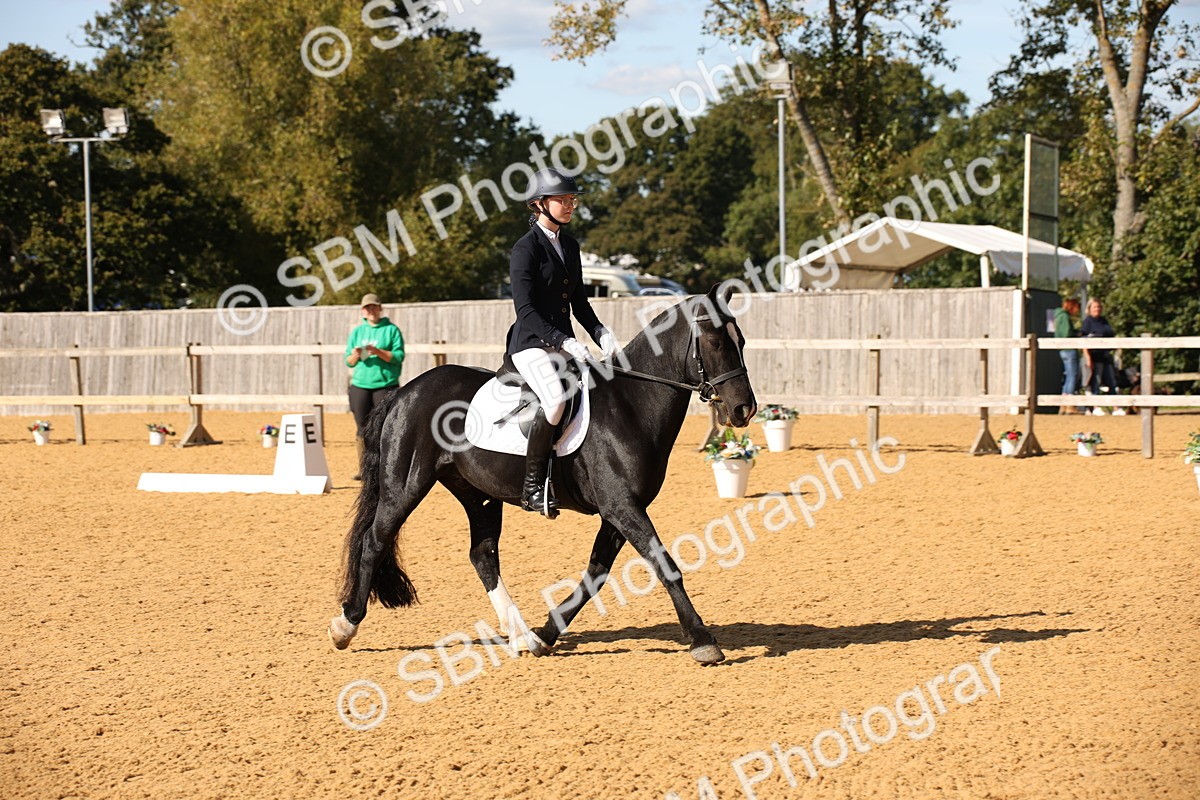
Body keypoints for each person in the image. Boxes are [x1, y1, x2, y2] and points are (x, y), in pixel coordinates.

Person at [506, 167, 619, 518]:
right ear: (539, 203)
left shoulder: (570, 246)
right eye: (563, 199)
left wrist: (599, 331)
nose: (570, 205)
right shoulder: (525, 249)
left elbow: (579, 302)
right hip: (531, 343)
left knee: (601, 388)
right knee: (555, 401)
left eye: (572, 200)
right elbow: (525, 309)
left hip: (562, 342)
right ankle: (532, 487)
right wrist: (563, 341)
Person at [345, 293, 404, 478]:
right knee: (362, 428)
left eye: (374, 307)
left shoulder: (391, 330)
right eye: (367, 307)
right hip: (360, 385)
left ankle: (386, 467)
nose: (371, 310)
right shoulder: (357, 332)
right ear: (363, 311)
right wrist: (356, 355)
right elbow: (348, 361)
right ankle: (364, 469)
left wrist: (377, 351)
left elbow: (398, 357)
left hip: (385, 384)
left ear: (380, 308)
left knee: (385, 427)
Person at [1081, 297, 1117, 413]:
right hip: (1095, 356)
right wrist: (1088, 357)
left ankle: (1116, 408)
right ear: (1089, 309)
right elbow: (1083, 340)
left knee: (1112, 382)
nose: (1097, 309)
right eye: (1095, 307)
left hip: (1105, 356)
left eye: (1099, 307)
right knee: (1095, 382)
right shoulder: (1087, 322)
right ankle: (1095, 407)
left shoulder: (1104, 321)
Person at [1054, 297, 1082, 413]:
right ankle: (1070, 403)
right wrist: (1076, 334)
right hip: (1069, 348)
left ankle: (1063, 404)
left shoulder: (1058, 316)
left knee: (1067, 376)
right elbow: (1066, 333)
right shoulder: (1065, 317)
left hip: (1062, 350)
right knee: (1072, 375)